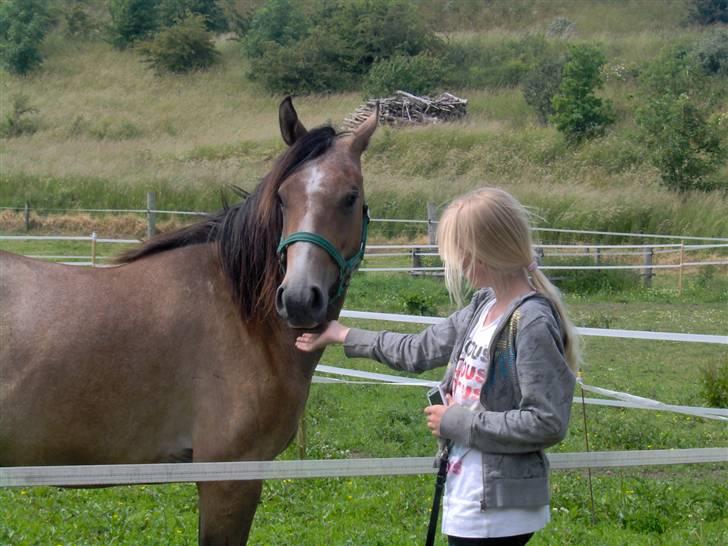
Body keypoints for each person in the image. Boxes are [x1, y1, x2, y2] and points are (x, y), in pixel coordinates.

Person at [296, 187, 579, 546]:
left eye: (464, 253)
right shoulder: (483, 306)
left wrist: (456, 421)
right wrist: (343, 334)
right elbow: (417, 349)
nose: (459, 264)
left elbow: (547, 421)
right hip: (469, 494)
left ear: (493, 248)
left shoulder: (531, 321)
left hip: (498, 511)